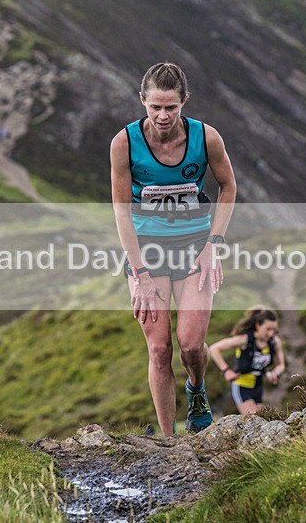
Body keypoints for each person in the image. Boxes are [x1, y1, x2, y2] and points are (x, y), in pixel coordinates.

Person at [110, 62, 236, 435]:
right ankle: (169, 439)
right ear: (142, 101)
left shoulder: (206, 137)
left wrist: (214, 244)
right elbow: (121, 211)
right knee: (160, 348)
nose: (163, 116)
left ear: (185, 102)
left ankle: (196, 388)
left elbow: (228, 188)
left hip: (195, 246)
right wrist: (140, 274)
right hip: (146, 249)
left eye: (171, 107)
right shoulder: (125, 143)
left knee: (191, 345)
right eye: (155, 107)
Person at [209, 307, 286, 415]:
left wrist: (274, 373)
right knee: (254, 419)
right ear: (258, 325)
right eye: (268, 329)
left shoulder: (274, 342)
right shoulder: (244, 340)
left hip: (258, 386)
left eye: (274, 329)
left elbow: (281, 365)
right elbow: (214, 349)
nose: (271, 333)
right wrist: (226, 371)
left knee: (263, 420)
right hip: (241, 385)